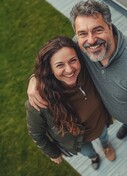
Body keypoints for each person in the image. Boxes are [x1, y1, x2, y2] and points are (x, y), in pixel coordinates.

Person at [27, 0, 127, 162]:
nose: (91, 40)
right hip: (120, 114)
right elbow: (58, 57)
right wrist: (36, 79)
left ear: (110, 28)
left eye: (98, 30)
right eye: (82, 33)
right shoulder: (81, 47)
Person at [25, 36, 116, 171]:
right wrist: (53, 153)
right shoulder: (39, 100)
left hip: (100, 122)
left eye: (73, 61)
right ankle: (94, 157)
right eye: (60, 65)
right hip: (78, 141)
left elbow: (88, 35)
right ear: (50, 69)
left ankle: (105, 145)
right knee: (87, 151)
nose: (69, 70)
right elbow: (36, 134)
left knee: (104, 135)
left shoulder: (88, 70)